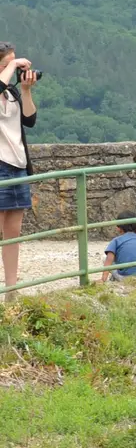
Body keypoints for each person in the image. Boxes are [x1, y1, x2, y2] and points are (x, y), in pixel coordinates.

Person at [0, 42, 40, 294]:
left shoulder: (11, 92)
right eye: (7, 64)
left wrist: (26, 91)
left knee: (13, 234)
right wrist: (13, 65)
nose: (13, 68)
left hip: (18, 166)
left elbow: (30, 120)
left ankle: (11, 290)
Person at [104, 214, 136, 279]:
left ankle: (111, 278)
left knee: (106, 258)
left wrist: (103, 279)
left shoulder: (116, 241)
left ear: (118, 228)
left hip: (124, 278)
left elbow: (109, 260)